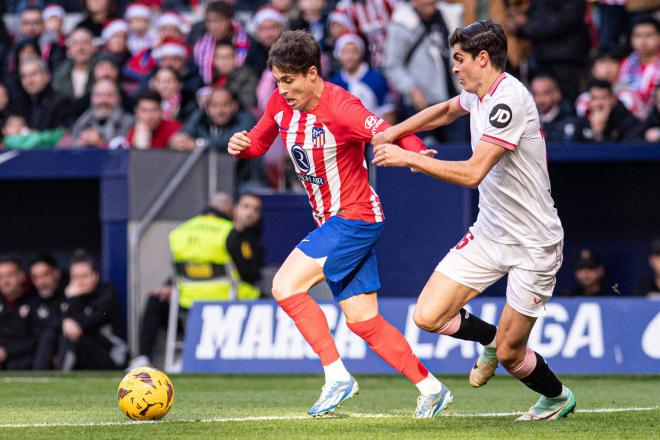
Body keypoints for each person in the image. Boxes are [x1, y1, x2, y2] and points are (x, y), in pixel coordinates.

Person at [228, 30, 448, 418]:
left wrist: (417, 153)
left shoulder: (342, 108)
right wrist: (242, 144)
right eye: (278, 81)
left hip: (354, 217)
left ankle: (336, 376)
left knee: (284, 285)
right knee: (364, 322)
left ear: (313, 73)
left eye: (289, 80)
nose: (282, 89)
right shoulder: (280, 103)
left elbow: (388, 130)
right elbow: (261, 142)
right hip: (337, 221)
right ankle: (432, 389)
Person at [372, 20, 576, 421]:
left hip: (533, 244)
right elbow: (447, 109)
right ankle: (487, 339)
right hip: (489, 233)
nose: (454, 68)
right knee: (427, 316)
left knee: (511, 353)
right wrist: (394, 132)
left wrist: (408, 156)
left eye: (459, 59)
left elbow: (472, 173)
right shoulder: (477, 94)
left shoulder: (508, 101)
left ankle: (556, 397)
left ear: (483, 59)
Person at [128, 192, 263, 369]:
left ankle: (143, 358)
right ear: (232, 209)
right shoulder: (231, 233)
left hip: (186, 300)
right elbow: (249, 275)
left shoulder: (180, 232)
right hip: (224, 301)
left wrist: (169, 285)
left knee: (155, 299)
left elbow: (185, 265)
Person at [384, 0, 461, 142]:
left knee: (459, 152)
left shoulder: (448, 15)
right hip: (422, 105)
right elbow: (392, 65)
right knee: (426, 154)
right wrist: (412, 89)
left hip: (454, 98)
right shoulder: (401, 24)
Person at [57, 251, 127, 370]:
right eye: (75, 277)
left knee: (73, 335)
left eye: (84, 276)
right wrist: (66, 319)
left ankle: (62, 374)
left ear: (95, 276)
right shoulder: (76, 297)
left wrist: (71, 300)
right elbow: (61, 324)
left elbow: (84, 325)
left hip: (113, 355)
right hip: (87, 354)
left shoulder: (107, 294)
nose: (80, 281)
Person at [331, 33, 396, 123]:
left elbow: (388, 111)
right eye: (344, 52)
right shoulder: (335, 83)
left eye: (353, 52)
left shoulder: (375, 78)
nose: (349, 57)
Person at [14, 57, 74, 130]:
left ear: (47, 76)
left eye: (33, 74)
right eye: (24, 76)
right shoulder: (22, 103)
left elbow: (62, 134)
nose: (29, 81)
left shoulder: (61, 103)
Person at [70, 79, 134, 148]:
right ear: (92, 98)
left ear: (119, 99)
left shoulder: (129, 123)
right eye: (99, 95)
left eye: (109, 95)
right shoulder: (82, 122)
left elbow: (127, 152)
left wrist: (100, 143)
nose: (104, 100)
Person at [28, 254, 66, 370]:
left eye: (45, 275)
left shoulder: (69, 297)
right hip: (40, 356)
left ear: (56, 273)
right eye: (36, 277)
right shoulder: (32, 302)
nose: (41, 282)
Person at [576, 80, 645, 142]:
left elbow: (626, 151)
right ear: (589, 102)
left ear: (613, 100)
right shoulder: (582, 121)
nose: (599, 103)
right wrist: (597, 131)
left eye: (604, 98)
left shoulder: (628, 121)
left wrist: (599, 133)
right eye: (594, 98)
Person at [618, 17, 659, 120]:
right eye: (638, 36)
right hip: (630, 120)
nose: (643, 41)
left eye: (648, 35)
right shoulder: (626, 64)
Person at [0, 256, 37, 370]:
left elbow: (38, 339)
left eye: (10, 275)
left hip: (22, 361)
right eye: (0, 276)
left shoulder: (35, 301)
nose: (5, 281)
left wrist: (7, 352)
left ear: (21, 276)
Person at [530, 74, 579, 143]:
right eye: (535, 94)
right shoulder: (526, 122)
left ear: (557, 94)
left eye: (545, 93)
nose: (540, 99)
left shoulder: (570, 122)